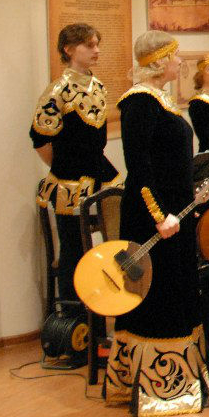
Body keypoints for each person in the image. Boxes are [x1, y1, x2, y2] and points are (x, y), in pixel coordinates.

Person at [105, 30, 209, 417]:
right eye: (174, 56)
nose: (179, 62)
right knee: (160, 294)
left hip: (176, 211)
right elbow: (139, 168)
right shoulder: (138, 102)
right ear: (158, 61)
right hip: (154, 219)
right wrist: (159, 216)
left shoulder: (161, 99)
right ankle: (159, 387)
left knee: (180, 289)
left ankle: (185, 378)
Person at [30, 23, 120, 310]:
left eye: (97, 44)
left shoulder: (98, 86)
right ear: (69, 49)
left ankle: (102, 305)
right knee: (73, 247)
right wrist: (62, 165)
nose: (96, 51)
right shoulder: (58, 90)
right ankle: (74, 317)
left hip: (100, 172)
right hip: (69, 180)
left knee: (110, 242)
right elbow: (40, 138)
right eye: (89, 45)